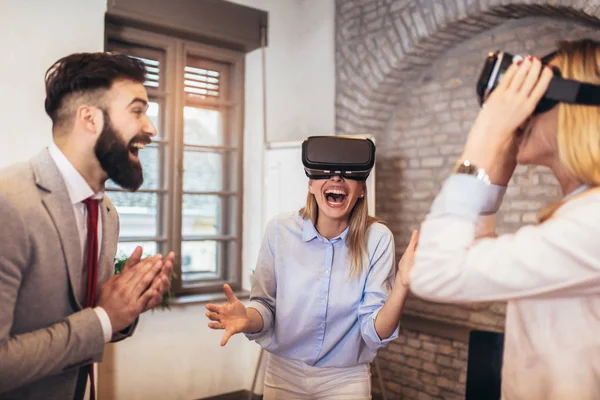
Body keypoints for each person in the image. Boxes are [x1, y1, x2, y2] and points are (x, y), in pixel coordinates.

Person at [410, 39, 600, 399]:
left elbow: (433, 274)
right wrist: (494, 176)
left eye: (536, 96)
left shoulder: (594, 221)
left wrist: (484, 135)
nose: (523, 113)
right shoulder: (579, 213)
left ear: (579, 108)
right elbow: (473, 296)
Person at [0, 52, 174, 400]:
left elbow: (90, 318)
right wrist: (104, 318)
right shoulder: (8, 203)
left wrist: (125, 308)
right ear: (90, 118)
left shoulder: (106, 212)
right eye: (138, 111)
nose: (151, 129)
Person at [206, 136, 418, 399]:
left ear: (362, 189)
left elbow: (374, 332)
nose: (337, 179)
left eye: (346, 174)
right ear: (311, 184)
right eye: (326, 172)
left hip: (345, 379)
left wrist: (402, 287)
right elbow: (266, 307)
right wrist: (247, 318)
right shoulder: (279, 231)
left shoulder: (378, 239)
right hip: (284, 374)